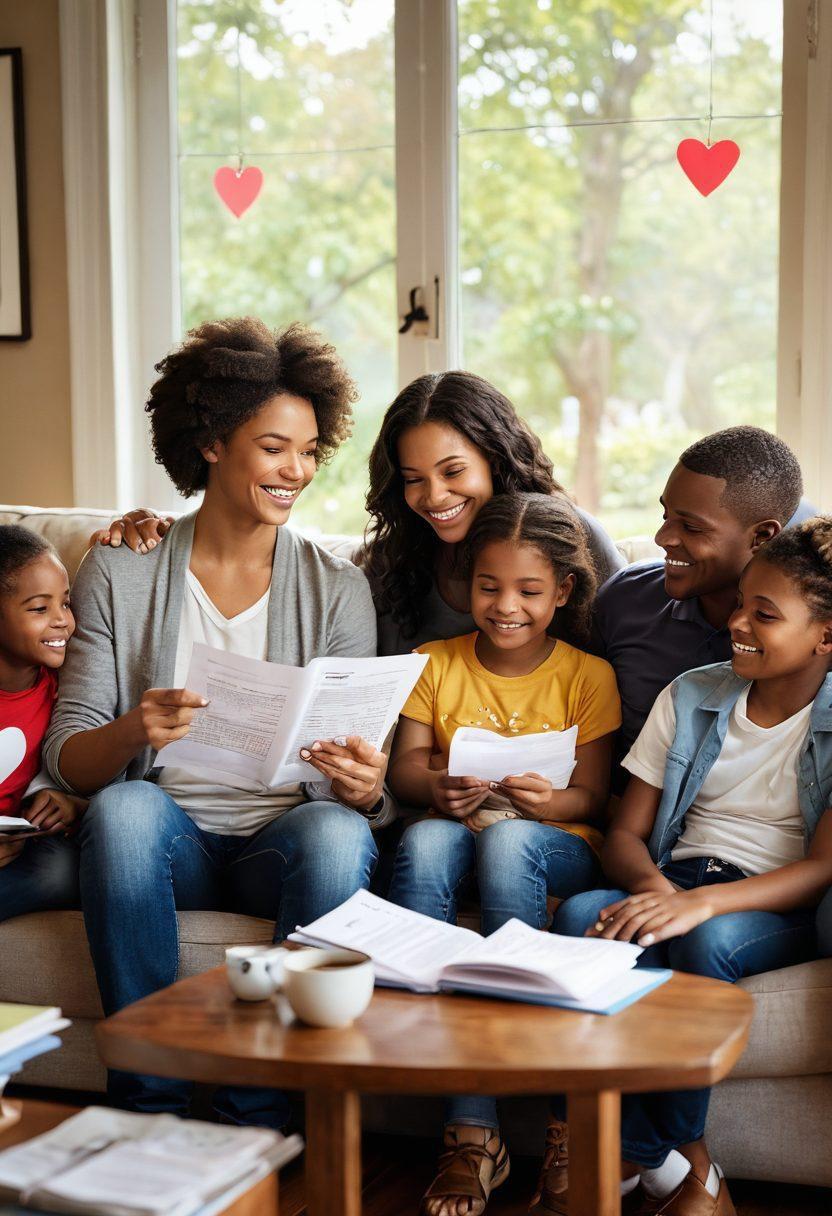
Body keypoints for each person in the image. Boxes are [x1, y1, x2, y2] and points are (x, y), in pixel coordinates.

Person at [43, 318, 391, 1126]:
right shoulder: (123, 572)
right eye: (275, 448)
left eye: (309, 452)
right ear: (210, 442)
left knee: (340, 836)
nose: (295, 471)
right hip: (174, 837)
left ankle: (257, 1116)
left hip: (283, 837)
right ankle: (147, 1101)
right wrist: (137, 728)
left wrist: (366, 787)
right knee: (126, 812)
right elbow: (68, 759)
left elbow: (359, 788)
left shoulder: (339, 590)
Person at [552, 516, 832, 1216]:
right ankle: (689, 1170)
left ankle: (637, 1154)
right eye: (741, 602)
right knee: (587, 917)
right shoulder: (692, 694)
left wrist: (699, 907)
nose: (737, 621)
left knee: (704, 940)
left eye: (764, 614)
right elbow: (625, 833)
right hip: (675, 877)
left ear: (825, 636)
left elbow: (823, 867)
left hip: (768, 901)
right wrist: (655, 890)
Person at [386, 493, 621, 1216]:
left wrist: (548, 804)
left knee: (513, 839)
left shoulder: (588, 675)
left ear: (563, 593)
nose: (505, 606)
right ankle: (471, 1131)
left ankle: (560, 1127)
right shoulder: (433, 661)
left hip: (554, 844)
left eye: (528, 591)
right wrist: (440, 789)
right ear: (465, 586)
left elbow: (594, 797)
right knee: (423, 838)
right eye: (489, 587)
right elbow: (404, 773)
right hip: (457, 830)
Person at [92, 370, 624, 654]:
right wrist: (154, 525)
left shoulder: (572, 540)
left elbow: (625, 675)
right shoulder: (392, 566)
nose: (434, 497)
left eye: (454, 472)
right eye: (413, 480)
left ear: (497, 460)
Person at [592, 426, 811, 788]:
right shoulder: (625, 600)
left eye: (691, 528)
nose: (663, 539)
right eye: (666, 516)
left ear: (762, 537)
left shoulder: (809, 634)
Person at [0, 527, 86, 920]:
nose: (62, 622)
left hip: (19, 849)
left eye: (65, 604)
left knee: (62, 870)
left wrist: (71, 805)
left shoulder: (64, 693)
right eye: (39, 609)